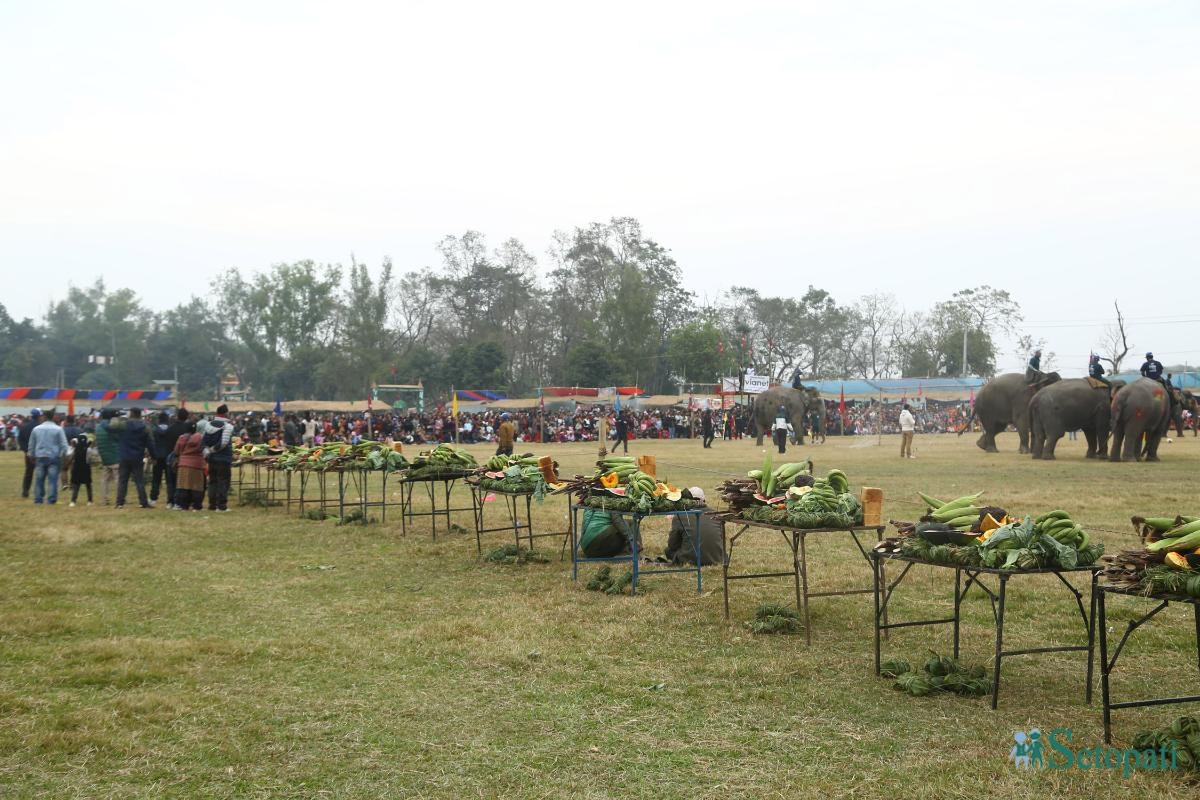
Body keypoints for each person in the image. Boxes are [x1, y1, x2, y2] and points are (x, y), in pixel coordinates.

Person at [664, 488, 724, 565]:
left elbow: (672, 545)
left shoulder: (680, 515)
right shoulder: (716, 515)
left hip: (689, 560)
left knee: (668, 551)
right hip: (716, 558)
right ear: (704, 500)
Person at [28, 411, 69, 505]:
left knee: (39, 479)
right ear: (53, 417)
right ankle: (51, 499)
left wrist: (31, 455)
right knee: (53, 479)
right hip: (54, 457)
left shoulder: (36, 429)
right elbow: (64, 445)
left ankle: (38, 499)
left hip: (40, 456)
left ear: (44, 417)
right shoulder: (58, 429)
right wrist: (64, 455)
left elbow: (31, 444)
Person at [115, 408, 153, 509]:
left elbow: (116, 435)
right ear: (140, 415)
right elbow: (150, 443)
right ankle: (143, 502)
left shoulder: (123, 425)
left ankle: (119, 502)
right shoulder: (145, 427)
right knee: (139, 480)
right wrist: (154, 456)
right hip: (137, 456)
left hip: (124, 456)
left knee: (123, 480)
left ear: (131, 414)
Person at [203, 404, 235, 512]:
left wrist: (207, 451)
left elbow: (204, 442)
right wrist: (212, 450)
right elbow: (223, 443)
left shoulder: (208, 425)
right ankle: (221, 506)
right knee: (223, 481)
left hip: (212, 458)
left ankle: (212, 505)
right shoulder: (228, 427)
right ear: (226, 413)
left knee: (212, 481)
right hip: (223, 458)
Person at [172, 422, 206, 511]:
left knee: (183, 485)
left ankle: (184, 505)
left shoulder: (182, 438)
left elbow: (176, 451)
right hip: (197, 464)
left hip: (183, 464)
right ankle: (197, 505)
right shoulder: (201, 438)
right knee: (197, 486)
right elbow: (203, 449)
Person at [163, 409, 192, 508]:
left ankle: (170, 501)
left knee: (170, 481)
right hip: (185, 458)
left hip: (171, 457)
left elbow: (166, 443)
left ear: (177, 416)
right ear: (187, 417)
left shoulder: (170, 428)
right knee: (182, 481)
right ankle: (181, 501)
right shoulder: (187, 430)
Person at [94, 409, 122, 505]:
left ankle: (104, 499)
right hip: (115, 455)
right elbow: (118, 439)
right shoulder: (111, 427)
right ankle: (120, 498)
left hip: (104, 456)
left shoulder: (97, 427)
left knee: (104, 479)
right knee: (118, 478)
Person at [147, 411, 174, 505]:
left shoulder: (155, 430)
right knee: (169, 480)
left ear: (159, 419)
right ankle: (170, 500)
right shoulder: (171, 429)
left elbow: (153, 444)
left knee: (156, 479)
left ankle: (153, 499)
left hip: (157, 456)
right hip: (168, 457)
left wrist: (153, 456)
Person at [18, 409, 41, 498]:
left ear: (31, 416)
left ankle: (25, 491)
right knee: (41, 473)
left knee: (28, 473)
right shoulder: (41, 426)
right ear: (39, 416)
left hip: (29, 454)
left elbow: (20, 440)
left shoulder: (24, 427)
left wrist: (26, 450)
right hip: (40, 453)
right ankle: (39, 492)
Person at [68, 431, 94, 506]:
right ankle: (90, 500)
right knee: (88, 485)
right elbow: (89, 459)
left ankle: (73, 501)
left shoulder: (75, 448)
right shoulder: (88, 449)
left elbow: (70, 454)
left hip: (76, 468)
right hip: (86, 468)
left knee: (76, 485)